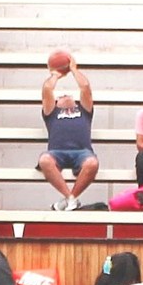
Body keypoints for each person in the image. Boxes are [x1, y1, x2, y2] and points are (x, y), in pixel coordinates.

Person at [37, 66, 97, 211]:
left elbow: (85, 86)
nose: (65, 96)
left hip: (82, 152)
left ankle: (69, 199)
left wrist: (73, 70)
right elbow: (47, 89)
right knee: (44, 160)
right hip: (57, 152)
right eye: (61, 96)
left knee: (92, 164)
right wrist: (56, 75)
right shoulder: (52, 112)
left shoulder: (84, 111)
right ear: (56, 102)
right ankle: (71, 198)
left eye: (68, 95)